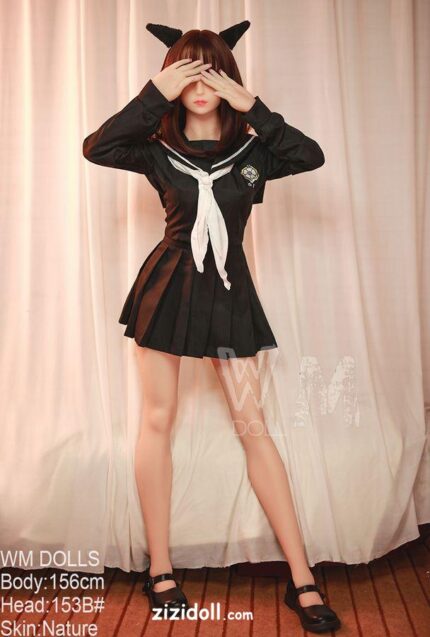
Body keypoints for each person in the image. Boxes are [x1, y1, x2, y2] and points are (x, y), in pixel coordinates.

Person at [82, 20, 340, 633]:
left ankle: (302, 577)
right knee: (157, 419)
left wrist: (254, 105)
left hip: (228, 295)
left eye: (211, 72)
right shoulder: (155, 149)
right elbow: (96, 146)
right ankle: (160, 569)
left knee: (254, 426)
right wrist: (155, 93)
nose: (199, 86)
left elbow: (309, 154)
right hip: (167, 291)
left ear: (229, 81)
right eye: (187, 73)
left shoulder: (254, 155)